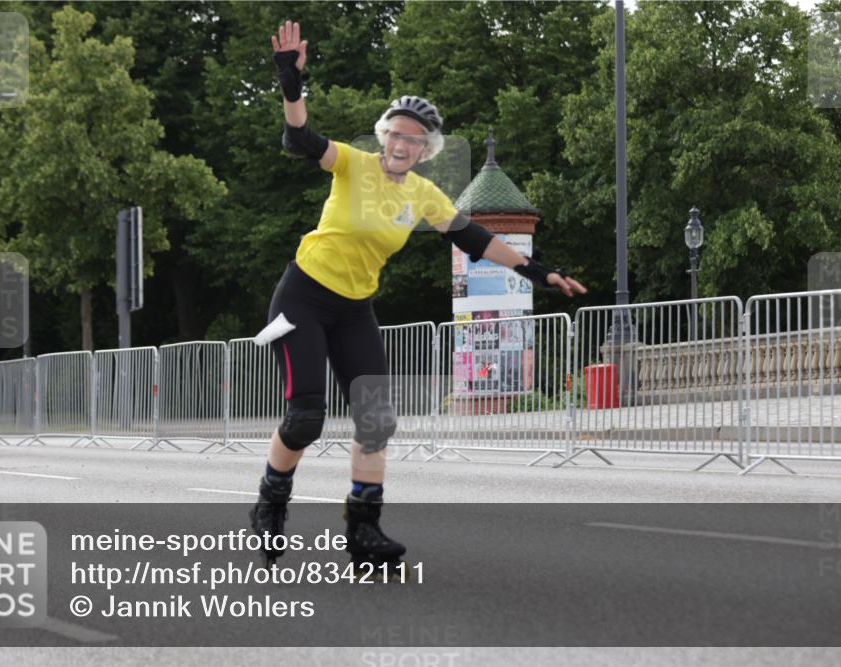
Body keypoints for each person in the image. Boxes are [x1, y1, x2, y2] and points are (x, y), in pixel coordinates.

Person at [250, 21, 588, 568]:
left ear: (426, 149)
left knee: (376, 419)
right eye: (396, 133)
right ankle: (270, 503)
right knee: (306, 418)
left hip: (354, 307)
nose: (402, 144)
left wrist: (538, 272)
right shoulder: (353, 164)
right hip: (304, 297)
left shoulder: (426, 194)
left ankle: (364, 530)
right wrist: (291, 81)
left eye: (414, 139)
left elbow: (474, 238)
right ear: (383, 135)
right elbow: (300, 140)